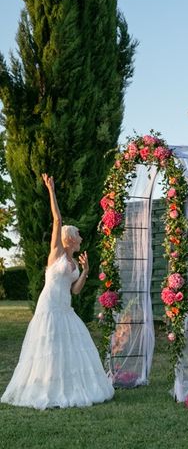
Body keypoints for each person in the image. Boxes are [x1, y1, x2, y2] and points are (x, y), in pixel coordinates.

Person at [1, 174, 114, 409]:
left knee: (70, 346)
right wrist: (51, 190)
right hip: (50, 306)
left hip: (65, 307)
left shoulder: (73, 264)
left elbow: (75, 290)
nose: (81, 237)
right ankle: (45, 387)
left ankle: (69, 386)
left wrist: (85, 271)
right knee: (49, 345)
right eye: (78, 235)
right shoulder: (57, 254)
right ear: (70, 239)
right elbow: (57, 219)